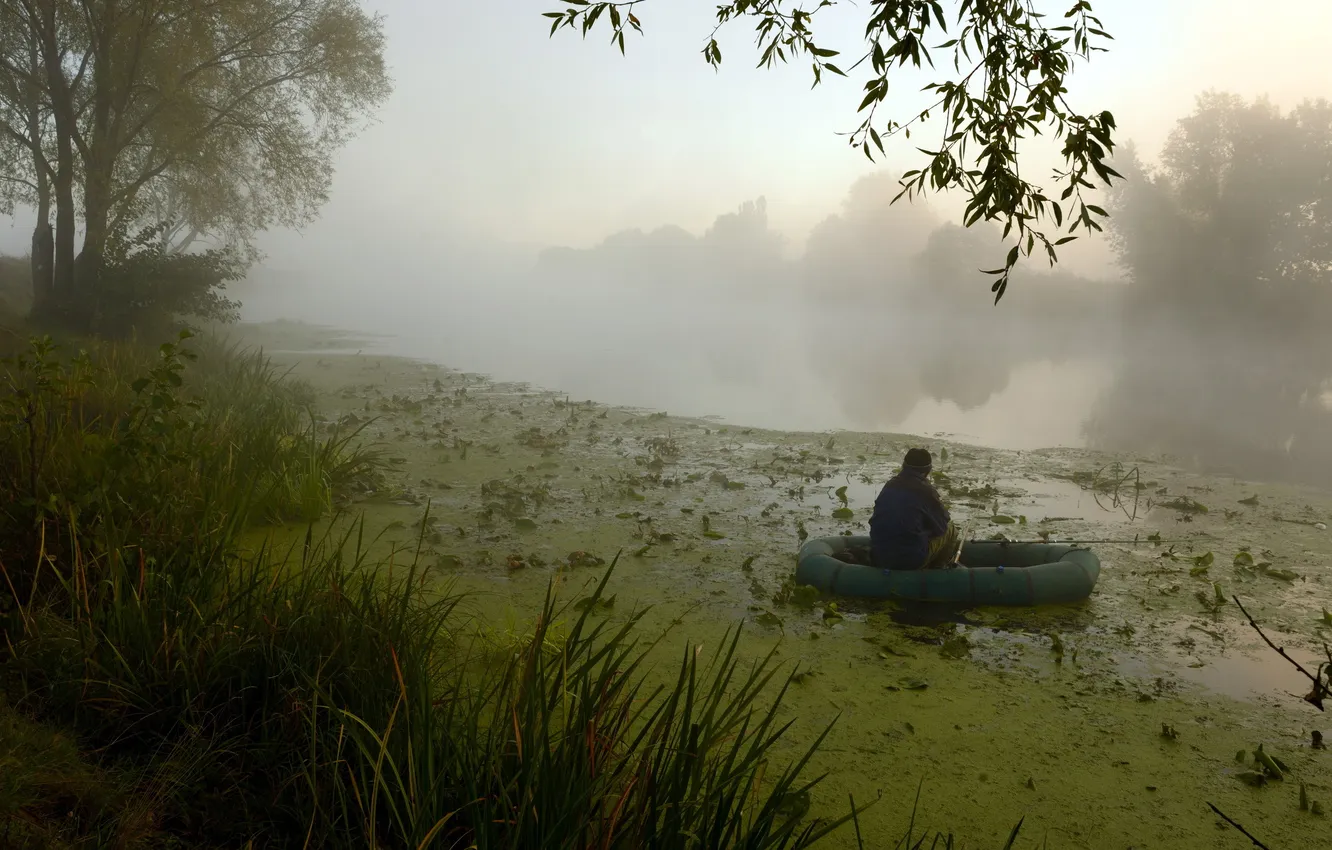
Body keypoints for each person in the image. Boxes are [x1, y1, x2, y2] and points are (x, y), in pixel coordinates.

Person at [868, 448, 961, 571]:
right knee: (951, 529)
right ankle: (937, 570)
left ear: (903, 466)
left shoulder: (889, 485)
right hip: (910, 560)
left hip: (878, 555)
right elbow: (941, 527)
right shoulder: (925, 491)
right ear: (927, 471)